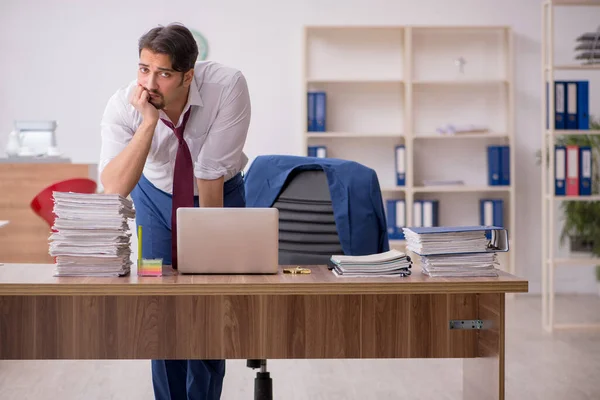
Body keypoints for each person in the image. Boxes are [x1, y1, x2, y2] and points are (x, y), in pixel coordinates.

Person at [98, 22, 251, 400]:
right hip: (155, 198)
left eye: (163, 73)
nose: (149, 83)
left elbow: (210, 175)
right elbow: (116, 186)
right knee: (160, 306)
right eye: (143, 69)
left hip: (218, 194)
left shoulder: (228, 86)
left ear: (188, 76)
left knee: (209, 307)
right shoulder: (123, 106)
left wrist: (208, 258)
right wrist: (149, 124)